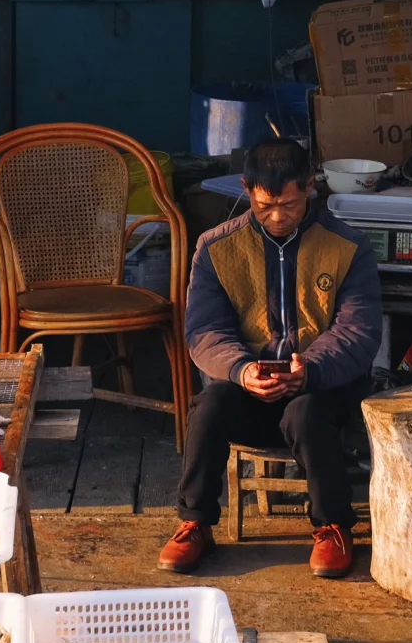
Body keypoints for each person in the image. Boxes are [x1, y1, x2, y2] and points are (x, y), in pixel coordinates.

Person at [158, 138, 382, 578]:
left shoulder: (349, 246)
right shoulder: (215, 247)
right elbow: (204, 332)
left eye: (290, 204)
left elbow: (359, 330)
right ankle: (195, 523)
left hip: (322, 391)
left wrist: (310, 369)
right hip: (250, 388)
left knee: (306, 413)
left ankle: (334, 526)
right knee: (208, 407)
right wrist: (242, 371)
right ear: (246, 188)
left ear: (310, 188)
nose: (277, 217)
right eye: (264, 206)